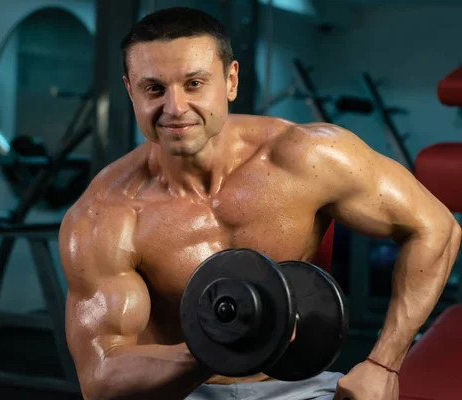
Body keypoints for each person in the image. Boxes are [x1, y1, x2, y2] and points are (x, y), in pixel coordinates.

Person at [58, 7, 461, 400]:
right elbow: (101, 376)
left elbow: (436, 227)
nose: (175, 108)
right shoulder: (104, 215)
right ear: (130, 91)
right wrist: (220, 341)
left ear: (230, 81)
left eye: (194, 84)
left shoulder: (308, 157)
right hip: (182, 389)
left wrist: (384, 364)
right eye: (154, 89)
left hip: (299, 388)